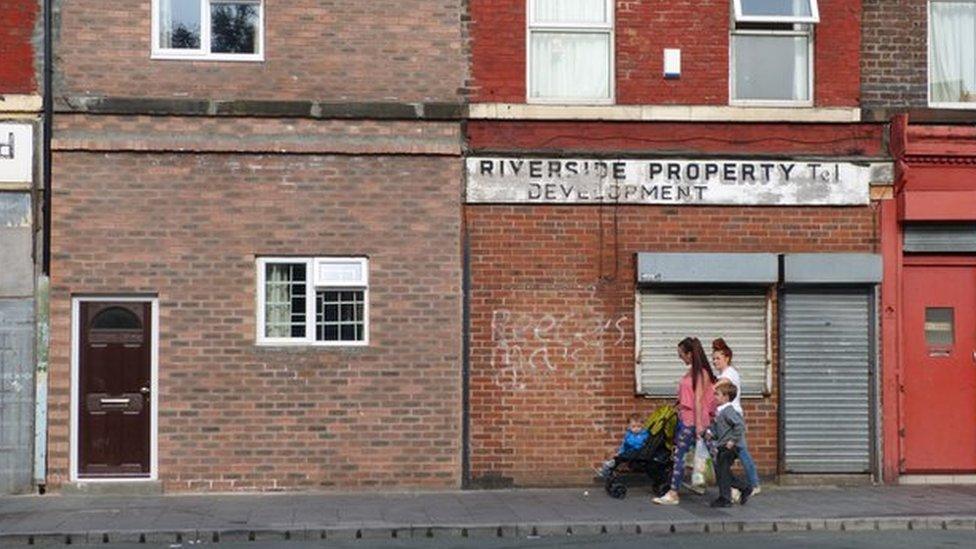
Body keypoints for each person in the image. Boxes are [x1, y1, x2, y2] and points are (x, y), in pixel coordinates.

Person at [652, 337, 717, 505]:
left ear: (689, 354)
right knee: (711, 456)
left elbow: (698, 400)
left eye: (681, 354)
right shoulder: (691, 372)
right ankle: (732, 488)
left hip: (694, 421)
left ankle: (673, 493)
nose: (679, 357)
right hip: (688, 419)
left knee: (681, 456)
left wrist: (698, 427)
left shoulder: (701, 373)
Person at [711, 338, 761, 495]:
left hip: (731, 415)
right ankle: (739, 485)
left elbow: (715, 388)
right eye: (713, 358)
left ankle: (753, 485)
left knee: (741, 450)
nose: (714, 361)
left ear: (727, 358)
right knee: (735, 451)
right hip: (725, 415)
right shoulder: (724, 373)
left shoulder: (729, 373)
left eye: (718, 358)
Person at [704, 382, 753, 507]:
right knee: (722, 471)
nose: (715, 397)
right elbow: (722, 430)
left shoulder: (728, 411)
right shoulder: (720, 411)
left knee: (722, 471)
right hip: (723, 445)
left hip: (730, 446)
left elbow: (740, 425)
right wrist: (711, 434)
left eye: (717, 394)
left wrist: (732, 440)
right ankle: (745, 487)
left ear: (726, 397)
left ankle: (725, 499)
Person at [597, 412, 650, 477]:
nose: (636, 429)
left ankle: (609, 466)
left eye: (638, 426)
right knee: (613, 454)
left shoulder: (644, 435)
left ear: (642, 425)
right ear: (629, 426)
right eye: (633, 426)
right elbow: (623, 445)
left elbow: (639, 444)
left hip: (637, 453)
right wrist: (620, 452)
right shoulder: (628, 434)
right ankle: (606, 468)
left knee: (619, 458)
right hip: (628, 452)